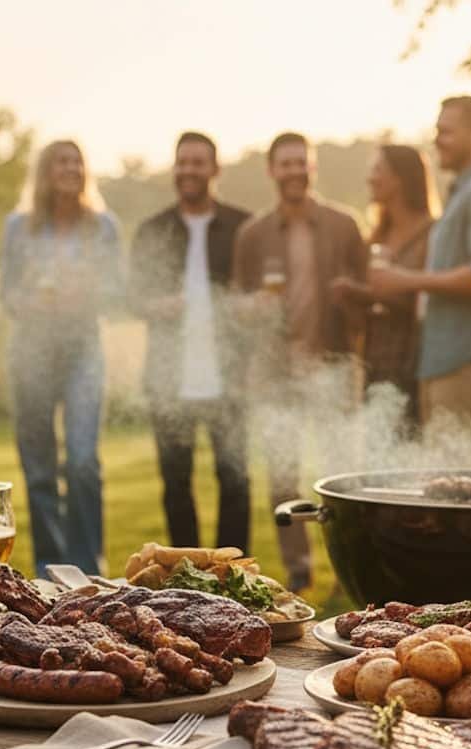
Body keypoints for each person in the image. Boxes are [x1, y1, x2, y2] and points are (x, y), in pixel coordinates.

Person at [232, 132, 368, 592]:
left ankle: (346, 571)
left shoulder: (344, 225)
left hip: (333, 366)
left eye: (300, 163)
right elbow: (238, 303)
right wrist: (251, 307)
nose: (293, 171)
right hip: (275, 372)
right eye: (285, 164)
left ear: (312, 167)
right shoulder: (253, 235)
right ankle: (298, 573)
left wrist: (352, 300)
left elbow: (367, 294)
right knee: (282, 479)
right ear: (271, 170)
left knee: (340, 478)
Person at [0, 140, 123, 576]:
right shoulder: (19, 227)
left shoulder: (103, 227)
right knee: (39, 469)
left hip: (83, 349)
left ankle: (87, 569)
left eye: (77, 161)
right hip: (31, 350)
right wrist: (29, 301)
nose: (71, 168)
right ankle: (51, 570)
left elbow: (117, 291)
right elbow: (6, 293)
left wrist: (88, 291)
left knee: (83, 461)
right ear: (45, 172)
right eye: (61, 162)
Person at [366, 96, 471, 448]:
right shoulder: (463, 192)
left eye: (446, 132)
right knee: (438, 472)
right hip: (438, 358)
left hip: (463, 358)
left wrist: (406, 280)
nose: (437, 140)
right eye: (437, 131)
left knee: (455, 475)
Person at [130, 132, 253, 551]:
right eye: (182, 162)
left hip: (231, 375)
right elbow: (132, 296)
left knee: (235, 483)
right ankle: (185, 573)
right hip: (169, 379)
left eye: (198, 163)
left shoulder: (243, 226)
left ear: (215, 169)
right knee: (176, 485)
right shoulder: (153, 230)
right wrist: (156, 305)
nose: (189, 171)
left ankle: (231, 574)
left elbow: (260, 295)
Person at [331, 144, 438, 427]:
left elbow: (428, 300)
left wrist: (364, 293)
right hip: (375, 360)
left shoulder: (433, 234)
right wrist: (351, 300)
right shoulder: (376, 237)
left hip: (414, 359)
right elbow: (364, 316)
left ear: (400, 178)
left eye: (377, 170)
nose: (370, 178)